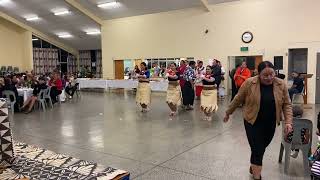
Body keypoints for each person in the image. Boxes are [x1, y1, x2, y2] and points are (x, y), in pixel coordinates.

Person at [224, 61, 293, 180]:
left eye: (271, 74)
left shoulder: (281, 84)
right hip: (252, 121)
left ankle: (253, 165)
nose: (269, 78)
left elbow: (287, 104)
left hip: (270, 123)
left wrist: (288, 122)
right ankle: (257, 176)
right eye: (265, 75)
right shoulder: (250, 83)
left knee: (261, 147)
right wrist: (228, 112)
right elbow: (238, 98)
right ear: (258, 74)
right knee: (257, 148)